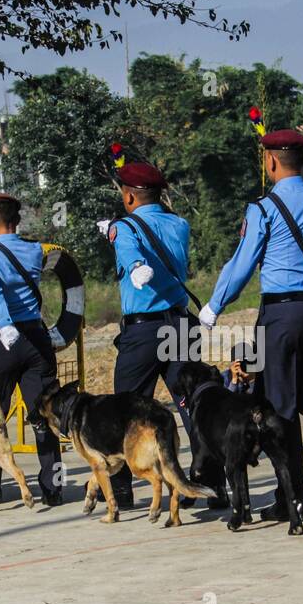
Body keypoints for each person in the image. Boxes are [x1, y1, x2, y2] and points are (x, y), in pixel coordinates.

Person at [200, 128, 303, 522]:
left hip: (282, 314)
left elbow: (241, 265)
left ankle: (293, 499)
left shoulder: (262, 209)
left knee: (279, 407)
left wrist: (214, 305)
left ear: (272, 161)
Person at [107, 160, 202, 508]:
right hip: (178, 324)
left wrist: (135, 267)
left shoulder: (125, 227)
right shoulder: (179, 224)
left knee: (126, 409)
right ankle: (208, 479)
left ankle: (122, 491)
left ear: (130, 195)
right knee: (191, 404)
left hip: (144, 331)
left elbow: (130, 253)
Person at [0, 193, 63, 506]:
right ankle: (53, 487)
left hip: (2, 341)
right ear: (17, 221)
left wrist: (6, 324)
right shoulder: (35, 250)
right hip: (37, 339)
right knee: (45, 415)